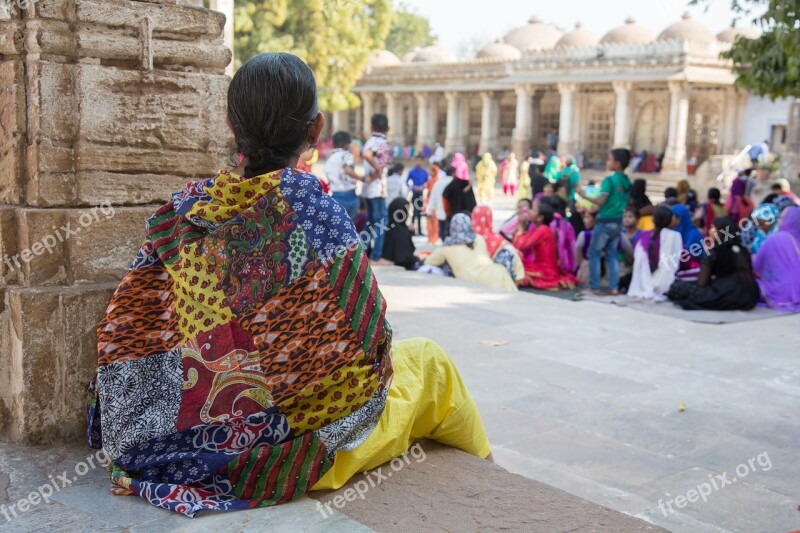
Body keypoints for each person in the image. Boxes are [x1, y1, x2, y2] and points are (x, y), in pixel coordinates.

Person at [87, 53, 491, 516]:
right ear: (316, 131)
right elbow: (369, 341)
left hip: (165, 442)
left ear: (229, 124)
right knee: (430, 362)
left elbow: (130, 325)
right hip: (301, 450)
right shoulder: (312, 210)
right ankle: (494, 492)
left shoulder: (187, 210)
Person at [667, 217, 760, 310]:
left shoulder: (714, 252)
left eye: (713, 228)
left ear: (721, 232)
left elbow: (702, 283)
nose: (710, 231)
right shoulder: (743, 251)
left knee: (676, 287)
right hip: (749, 296)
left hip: (724, 294)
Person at [576, 148, 632, 295]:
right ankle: (614, 287)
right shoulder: (626, 181)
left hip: (605, 221)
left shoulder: (610, 180)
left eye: (609, 159)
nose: (607, 162)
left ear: (617, 163)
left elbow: (601, 200)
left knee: (594, 252)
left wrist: (583, 195)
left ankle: (594, 286)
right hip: (618, 221)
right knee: (611, 254)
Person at [423, 213, 519, 291]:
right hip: (497, 274)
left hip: (475, 282)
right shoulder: (479, 238)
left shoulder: (446, 249)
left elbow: (428, 262)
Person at [513, 203, 578, 290]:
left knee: (515, 269)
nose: (530, 212)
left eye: (533, 210)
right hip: (541, 266)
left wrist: (521, 227)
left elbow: (521, 245)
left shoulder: (543, 230)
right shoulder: (540, 229)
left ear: (540, 218)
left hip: (544, 270)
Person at [627, 206, 683, 301]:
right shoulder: (674, 236)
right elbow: (678, 261)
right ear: (668, 220)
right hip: (665, 283)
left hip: (641, 281)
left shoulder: (643, 235)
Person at [753, 206, 800, 311]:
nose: (779, 221)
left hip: (780, 292)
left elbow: (756, 266)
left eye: (782, 218)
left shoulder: (775, 238)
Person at [361, 113, 394, 266]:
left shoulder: (370, 141)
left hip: (369, 187)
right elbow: (367, 155)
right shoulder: (380, 142)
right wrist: (377, 171)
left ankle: (363, 253)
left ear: (371, 127)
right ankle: (376, 256)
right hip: (377, 187)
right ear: (388, 128)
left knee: (370, 221)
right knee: (381, 221)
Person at [471, 206, 524, 284]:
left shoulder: (467, 239)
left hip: (472, 278)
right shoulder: (496, 238)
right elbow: (518, 255)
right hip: (496, 279)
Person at [325, 131, 361, 218]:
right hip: (349, 196)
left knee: (338, 227)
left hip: (336, 195)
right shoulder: (346, 155)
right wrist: (361, 178)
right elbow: (347, 169)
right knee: (350, 226)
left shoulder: (329, 159)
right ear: (346, 144)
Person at [382, 197, 420, 270]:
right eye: (407, 210)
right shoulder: (401, 232)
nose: (409, 213)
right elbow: (406, 258)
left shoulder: (384, 227)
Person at [671, 204, 706, 282]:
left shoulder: (692, 234)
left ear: (682, 218)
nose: (672, 220)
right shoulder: (677, 231)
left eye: (675, 217)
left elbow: (688, 256)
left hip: (692, 269)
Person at [426, 164, 453, 241]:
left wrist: (429, 210)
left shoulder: (438, 183)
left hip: (441, 212)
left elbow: (433, 198)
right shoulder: (454, 182)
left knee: (443, 233)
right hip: (453, 213)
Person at [406, 158, 429, 235]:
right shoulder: (412, 171)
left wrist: (423, 187)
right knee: (414, 212)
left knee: (419, 212)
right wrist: (413, 186)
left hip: (421, 193)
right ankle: (412, 230)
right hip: (414, 193)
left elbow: (427, 181)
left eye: (420, 160)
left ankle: (419, 230)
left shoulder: (424, 172)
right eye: (417, 160)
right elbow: (407, 182)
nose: (418, 162)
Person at [424, 163, 441, 244]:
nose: (429, 172)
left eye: (431, 171)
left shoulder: (437, 180)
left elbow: (432, 191)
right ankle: (430, 237)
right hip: (429, 201)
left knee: (434, 221)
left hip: (434, 203)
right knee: (429, 220)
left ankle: (434, 237)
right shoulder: (431, 180)